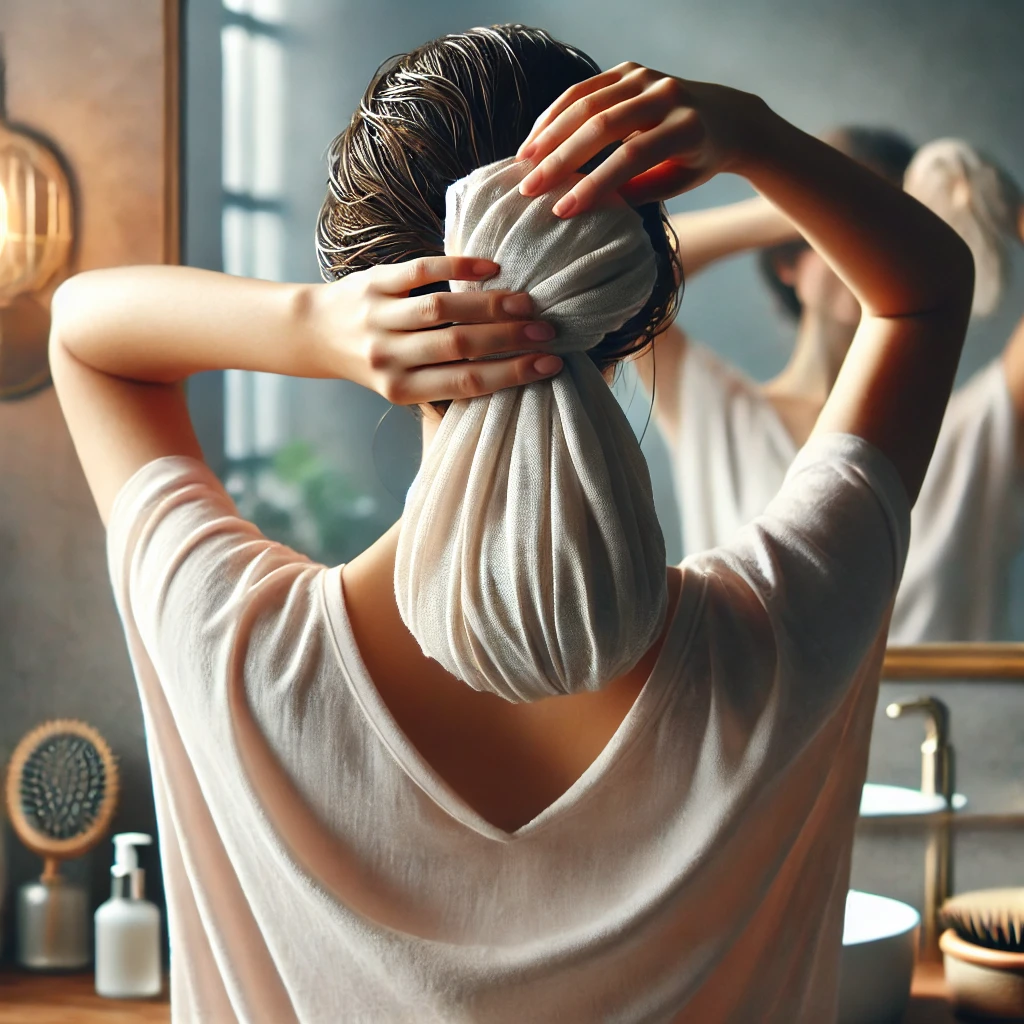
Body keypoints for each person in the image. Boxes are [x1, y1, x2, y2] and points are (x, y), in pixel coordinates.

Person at [49, 25, 972, 1024]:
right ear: (625, 308)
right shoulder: (787, 638)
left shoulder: (234, 649)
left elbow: (87, 333)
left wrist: (310, 328)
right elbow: (924, 296)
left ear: (375, 306)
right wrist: (752, 137)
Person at [647, 132, 1024, 641]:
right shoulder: (719, 413)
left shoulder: (974, 430)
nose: (865, 245)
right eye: (836, 230)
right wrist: (804, 199)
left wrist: (1004, 208)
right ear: (787, 264)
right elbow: (623, 268)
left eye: (889, 227)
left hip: (953, 721)